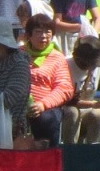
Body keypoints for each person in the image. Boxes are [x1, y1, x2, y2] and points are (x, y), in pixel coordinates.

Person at [22, 13, 73, 147]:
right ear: (29, 35)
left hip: (47, 107)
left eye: (48, 32)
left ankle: (48, 156)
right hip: (19, 104)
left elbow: (64, 88)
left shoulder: (57, 58)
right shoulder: (19, 54)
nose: (43, 36)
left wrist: (42, 104)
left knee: (46, 119)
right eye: (38, 32)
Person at [62, 38, 100, 144]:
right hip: (65, 112)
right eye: (91, 64)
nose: (94, 68)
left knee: (97, 114)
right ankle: (70, 150)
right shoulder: (65, 66)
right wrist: (93, 104)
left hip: (87, 111)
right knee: (73, 112)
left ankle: (93, 150)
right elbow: (66, 101)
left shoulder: (98, 67)